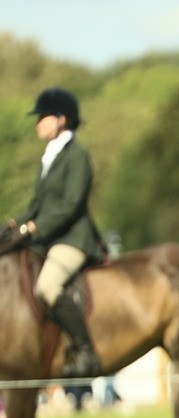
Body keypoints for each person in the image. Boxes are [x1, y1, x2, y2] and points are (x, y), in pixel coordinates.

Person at [5, 87, 107, 379]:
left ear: (62, 119)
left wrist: (35, 227)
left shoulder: (77, 156)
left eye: (43, 117)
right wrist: (13, 225)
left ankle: (87, 351)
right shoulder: (49, 156)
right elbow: (37, 205)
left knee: (47, 286)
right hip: (49, 237)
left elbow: (72, 204)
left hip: (73, 237)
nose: (38, 123)